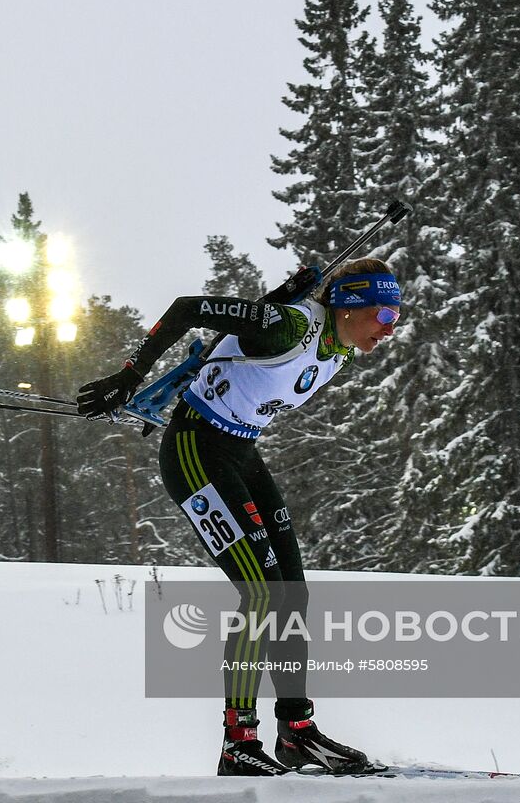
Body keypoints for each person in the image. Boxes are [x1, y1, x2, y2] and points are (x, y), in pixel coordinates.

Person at [77, 258, 402, 777]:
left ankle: (297, 733)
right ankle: (238, 743)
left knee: (291, 595)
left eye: (396, 319)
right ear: (348, 304)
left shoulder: (334, 343)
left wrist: (276, 297)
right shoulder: (292, 327)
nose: (389, 329)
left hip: (240, 449)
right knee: (261, 594)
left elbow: (241, 348)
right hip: (195, 449)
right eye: (384, 315)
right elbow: (188, 310)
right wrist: (128, 376)